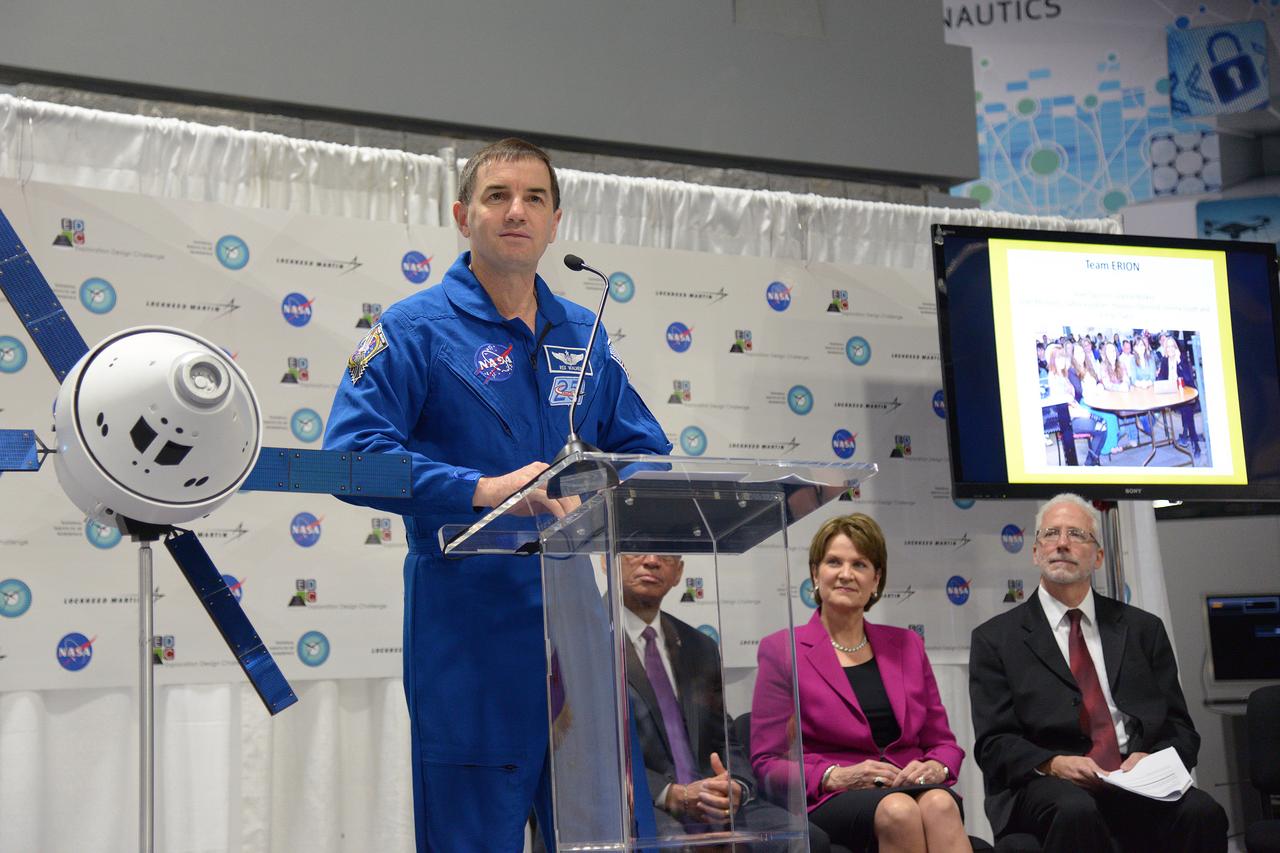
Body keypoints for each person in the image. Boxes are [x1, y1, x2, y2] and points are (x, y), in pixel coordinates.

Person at [324, 137, 671, 852]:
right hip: (467, 618)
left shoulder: (583, 334)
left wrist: (608, 490)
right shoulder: (413, 328)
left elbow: (645, 454)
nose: (517, 211)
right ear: (463, 215)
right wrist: (481, 489)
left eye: (535, 198)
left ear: (555, 221)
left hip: (577, 616)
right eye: (498, 196)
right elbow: (350, 459)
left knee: (607, 835)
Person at [968, 493, 1228, 853]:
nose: (1062, 543)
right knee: (1076, 810)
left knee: (1203, 812)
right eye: (1051, 533)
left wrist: (1152, 760)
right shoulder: (996, 639)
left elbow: (1180, 728)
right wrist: (1054, 763)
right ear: (1035, 552)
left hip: (1135, 779)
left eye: (1076, 534)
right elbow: (994, 744)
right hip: (1048, 784)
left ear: (1099, 556)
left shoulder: (1142, 629)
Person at [752, 514, 971, 853]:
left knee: (941, 804)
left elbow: (943, 743)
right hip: (833, 795)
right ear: (815, 573)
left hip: (908, 785)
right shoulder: (783, 650)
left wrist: (936, 767)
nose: (846, 574)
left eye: (860, 564)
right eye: (834, 562)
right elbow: (766, 762)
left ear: (876, 579)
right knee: (899, 811)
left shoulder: (907, 645)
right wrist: (834, 775)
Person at [616, 553, 824, 849]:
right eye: (637, 549)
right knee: (676, 846)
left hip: (713, 801)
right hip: (639, 804)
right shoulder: (586, 641)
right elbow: (590, 753)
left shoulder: (700, 646)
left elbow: (725, 738)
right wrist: (670, 793)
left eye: (665, 554)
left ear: (679, 572)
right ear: (607, 562)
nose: (651, 560)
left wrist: (735, 785)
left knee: (808, 840)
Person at [1044, 344, 1106, 466]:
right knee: (1102, 427)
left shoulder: (1063, 375)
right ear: (1052, 360)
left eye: (1063, 357)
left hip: (1075, 414)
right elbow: (1064, 404)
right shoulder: (1054, 377)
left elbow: (1073, 400)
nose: (1062, 360)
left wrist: (1083, 412)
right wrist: (1084, 413)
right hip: (1068, 421)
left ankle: (1090, 462)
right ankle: (1090, 463)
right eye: (1058, 358)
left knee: (1103, 424)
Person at [1156, 336, 1202, 461]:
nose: (1170, 349)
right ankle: (1187, 435)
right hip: (1172, 396)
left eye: (1172, 346)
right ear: (1165, 349)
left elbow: (1188, 378)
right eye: (1168, 346)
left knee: (1186, 408)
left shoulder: (1182, 359)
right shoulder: (1164, 361)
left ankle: (1194, 441)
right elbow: (1161, 378)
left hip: (1186, 394)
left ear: (1176, 348)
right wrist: (1159, 377)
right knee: (1185, 410)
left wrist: (1179, 362)